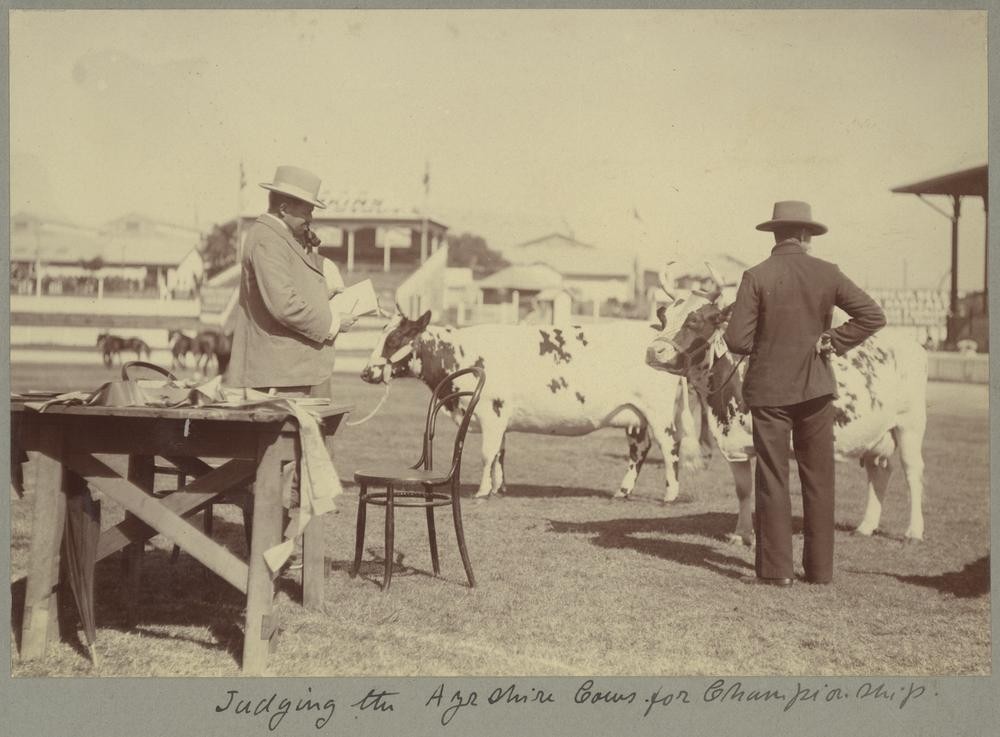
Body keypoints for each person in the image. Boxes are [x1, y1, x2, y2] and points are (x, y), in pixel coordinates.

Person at [724, 201, 886, 586]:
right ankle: (819, 571)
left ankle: (777, 572)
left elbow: (736, 340)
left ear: (775, 234)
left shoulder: (756, 275)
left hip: (768, 392)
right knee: (818, 479)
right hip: (816, 388)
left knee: (774, 478)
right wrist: (834, 338)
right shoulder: (827, 273)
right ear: (806, 235)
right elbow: (873, 315)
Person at [228, 165, 357, 566]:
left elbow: (297, 291)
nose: (311, 218)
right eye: (306, 211)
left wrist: (317, 262)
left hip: (301, 368)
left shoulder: (287, 238)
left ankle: (284, 548)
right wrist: (333, 321)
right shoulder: (266, 239)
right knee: (274, 471)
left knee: (303, 467)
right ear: (284, 206)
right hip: (277, 372)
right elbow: (282, 304)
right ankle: (267, 552)